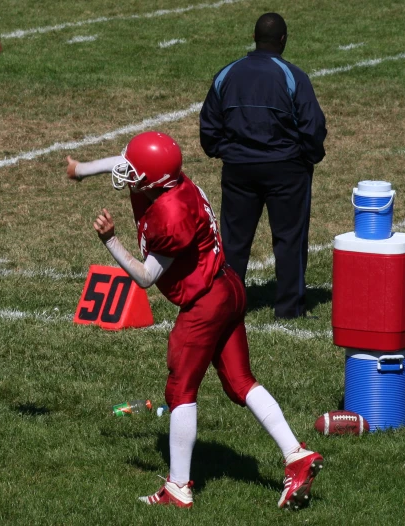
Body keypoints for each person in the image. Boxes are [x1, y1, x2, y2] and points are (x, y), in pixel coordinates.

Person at [66, 131, 323, 510]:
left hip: (205, 303)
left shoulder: (170, 216)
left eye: (134, 171)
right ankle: (296, 454)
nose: (125, 174)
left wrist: (110, 240)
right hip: (228, 286)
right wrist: (80, 170)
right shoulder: (166, 181)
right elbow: (122, 164)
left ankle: (178, 488)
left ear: (152, 179)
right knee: (240, 383)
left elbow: (145, 277)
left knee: (180, 391)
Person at [199, 12, 327, 319]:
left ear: (255, 38)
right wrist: (307, 157)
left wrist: (224, 151)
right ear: (283, 40)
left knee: (233, 239)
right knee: (289, 238)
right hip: (285, 168)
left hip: (239, 168)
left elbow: (209, 126)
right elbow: (312, 126)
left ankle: (227, 303)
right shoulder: (292, 75)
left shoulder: (227, 74)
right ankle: (289, 308)